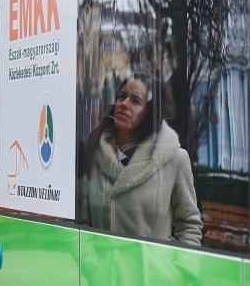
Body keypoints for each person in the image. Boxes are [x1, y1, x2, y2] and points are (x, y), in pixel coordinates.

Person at [78, 72, 202, 244]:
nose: (124, 104)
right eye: (122, 96)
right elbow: (79, 218)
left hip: (153, 270)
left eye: (135, 100)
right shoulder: (92, 151)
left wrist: (176, 269)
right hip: (102, 269)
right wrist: (92, 264)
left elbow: (189, 225)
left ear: (149, 112)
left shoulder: (175, 159)